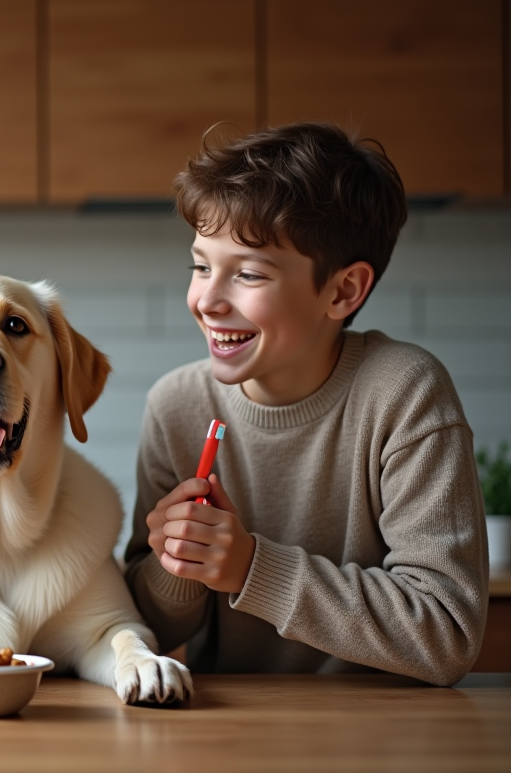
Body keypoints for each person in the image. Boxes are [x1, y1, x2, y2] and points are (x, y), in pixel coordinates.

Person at [125, 122, 488, 686]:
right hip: (232, 736)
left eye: (247, 273)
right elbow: (142, 624)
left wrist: (251, 567)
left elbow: (446, 634)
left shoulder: (406, 393)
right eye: (200, 266)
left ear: (343, 291)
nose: (207, 301)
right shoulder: (177, 406)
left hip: (383, 737)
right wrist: (178, 566)